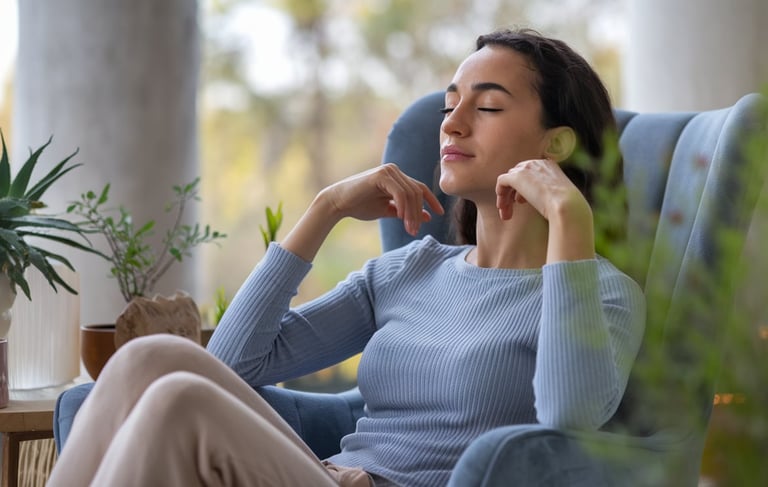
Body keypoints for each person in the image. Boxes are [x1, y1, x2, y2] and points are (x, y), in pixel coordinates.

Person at [47, 28, 645, 487]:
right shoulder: (410, 270)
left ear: (556, 143)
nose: (453, 124)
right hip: (328, 474)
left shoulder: (604, 294)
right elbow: (232, 366)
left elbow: (568, 426)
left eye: (486, 108)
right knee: (149, 359)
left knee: (179, 401)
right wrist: (325, 209)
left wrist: (571, 220)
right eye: (449, 105)